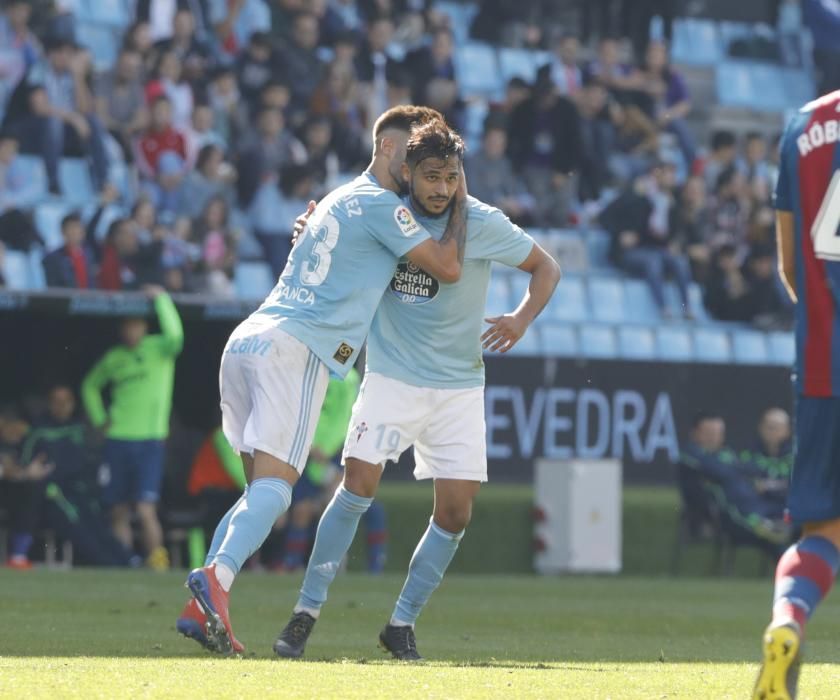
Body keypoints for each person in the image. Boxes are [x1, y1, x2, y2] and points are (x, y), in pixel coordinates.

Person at [175, 105, 468, 656]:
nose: (418, 169)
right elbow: (448, 267)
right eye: (410, 155)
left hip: (248, 337)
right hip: (297, 349)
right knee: (277, 490)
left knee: (254, 493)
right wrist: (462, 193)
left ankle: (206, 608)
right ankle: (212, 581)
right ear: (385, 149)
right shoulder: (385, 207)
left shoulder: (337, 196)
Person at [273, 121, 560, 661]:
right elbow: (331, 239)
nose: (441, 188)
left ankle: (400, 623)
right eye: (431, 176)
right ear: (407, 172)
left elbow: (546, 267)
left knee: (456, 514)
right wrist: (310, 227)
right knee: (356, 485)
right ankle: (304, 613)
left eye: (450, 177)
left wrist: (521, 319)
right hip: (390, 378)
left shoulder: (480, 222)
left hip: (458, 388)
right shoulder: (383, 215)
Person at [752, 90, 840, 700]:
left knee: (822, 533)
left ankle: (787, 622)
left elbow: (789, 266)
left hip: (822, 365)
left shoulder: (804, 124)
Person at [81, 287, 184, 571]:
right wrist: (100, 418)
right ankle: (123, 562)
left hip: (150, 440)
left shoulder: (159, 349)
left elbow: (177, 336)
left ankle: (158, 562)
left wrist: (162, 299)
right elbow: (90, 386)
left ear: (144, 327)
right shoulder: (113, 358)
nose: (130, 331)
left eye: (135, 325)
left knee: (145, 507)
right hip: (117, 439)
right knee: (118, 509)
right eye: (126, 326)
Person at [20, 385, 138, 567]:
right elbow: (25, 466)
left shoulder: (79, 428)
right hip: (54, 493)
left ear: (73, 404)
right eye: (56, 402)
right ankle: (109, 564)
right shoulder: (38, 431)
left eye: (66, 401)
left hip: (80, 489)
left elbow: (92, 458)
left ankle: (128, 560)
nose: (61, 406)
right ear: (49, 404)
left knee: (98, 522)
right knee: (78, 525)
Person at [42, 212, 95, 289]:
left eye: (78, 228)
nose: (75, 232)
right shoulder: (52, 258)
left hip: (90, 299)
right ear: (63, 232)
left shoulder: (89, 254)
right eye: (71, 229)